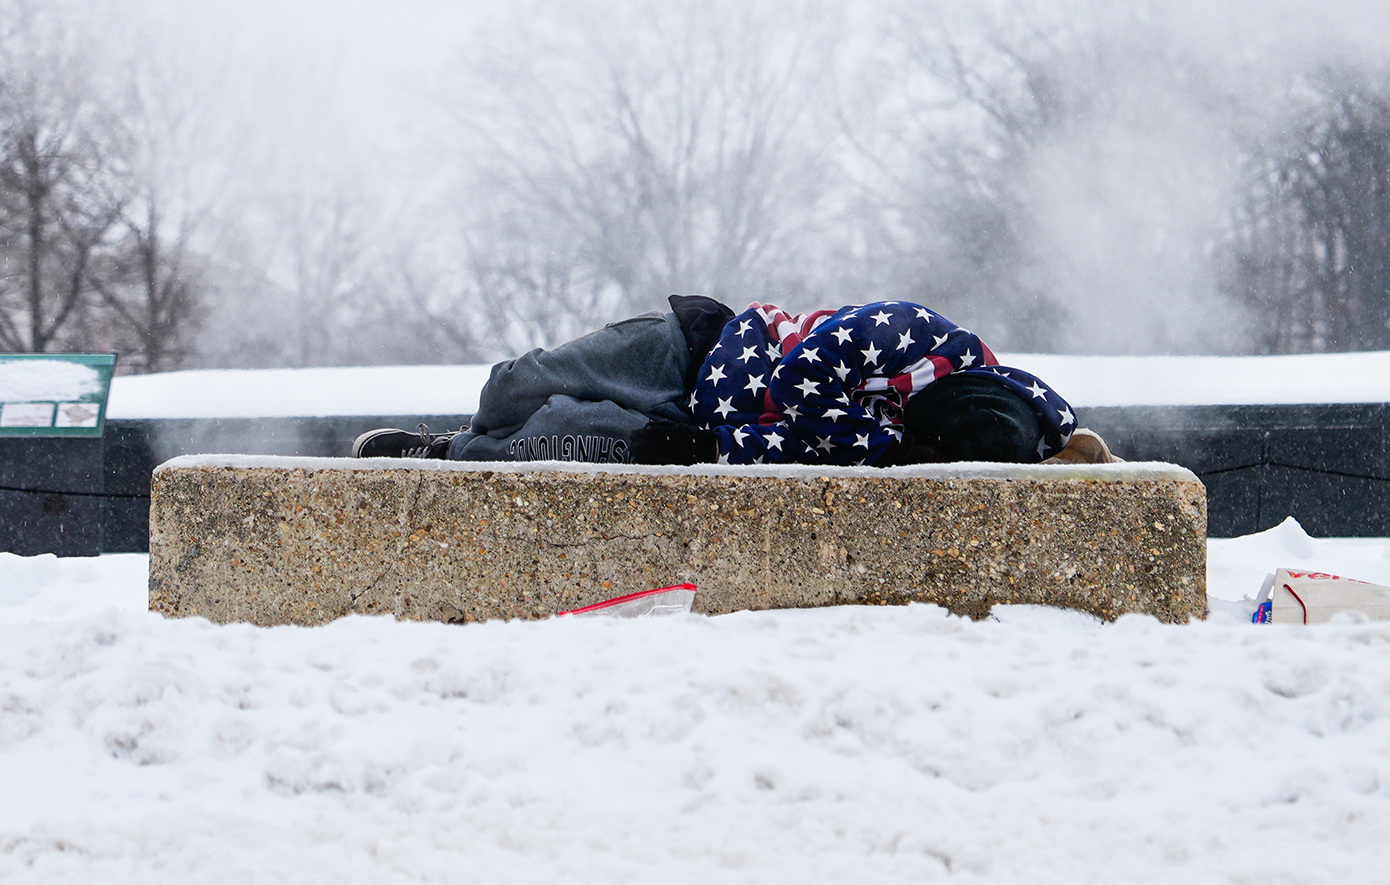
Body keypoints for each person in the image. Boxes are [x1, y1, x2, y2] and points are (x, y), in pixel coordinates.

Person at [352, 295, 1079, 466]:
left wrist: (709, 450)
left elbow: (800, 459)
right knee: (520, 384)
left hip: (699, 433)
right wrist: (878, 446)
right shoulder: (919, 333)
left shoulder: (924, 447)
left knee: (550, 447)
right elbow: (803, 378)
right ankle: (473, 422)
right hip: (693, 351)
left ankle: (446, 455)